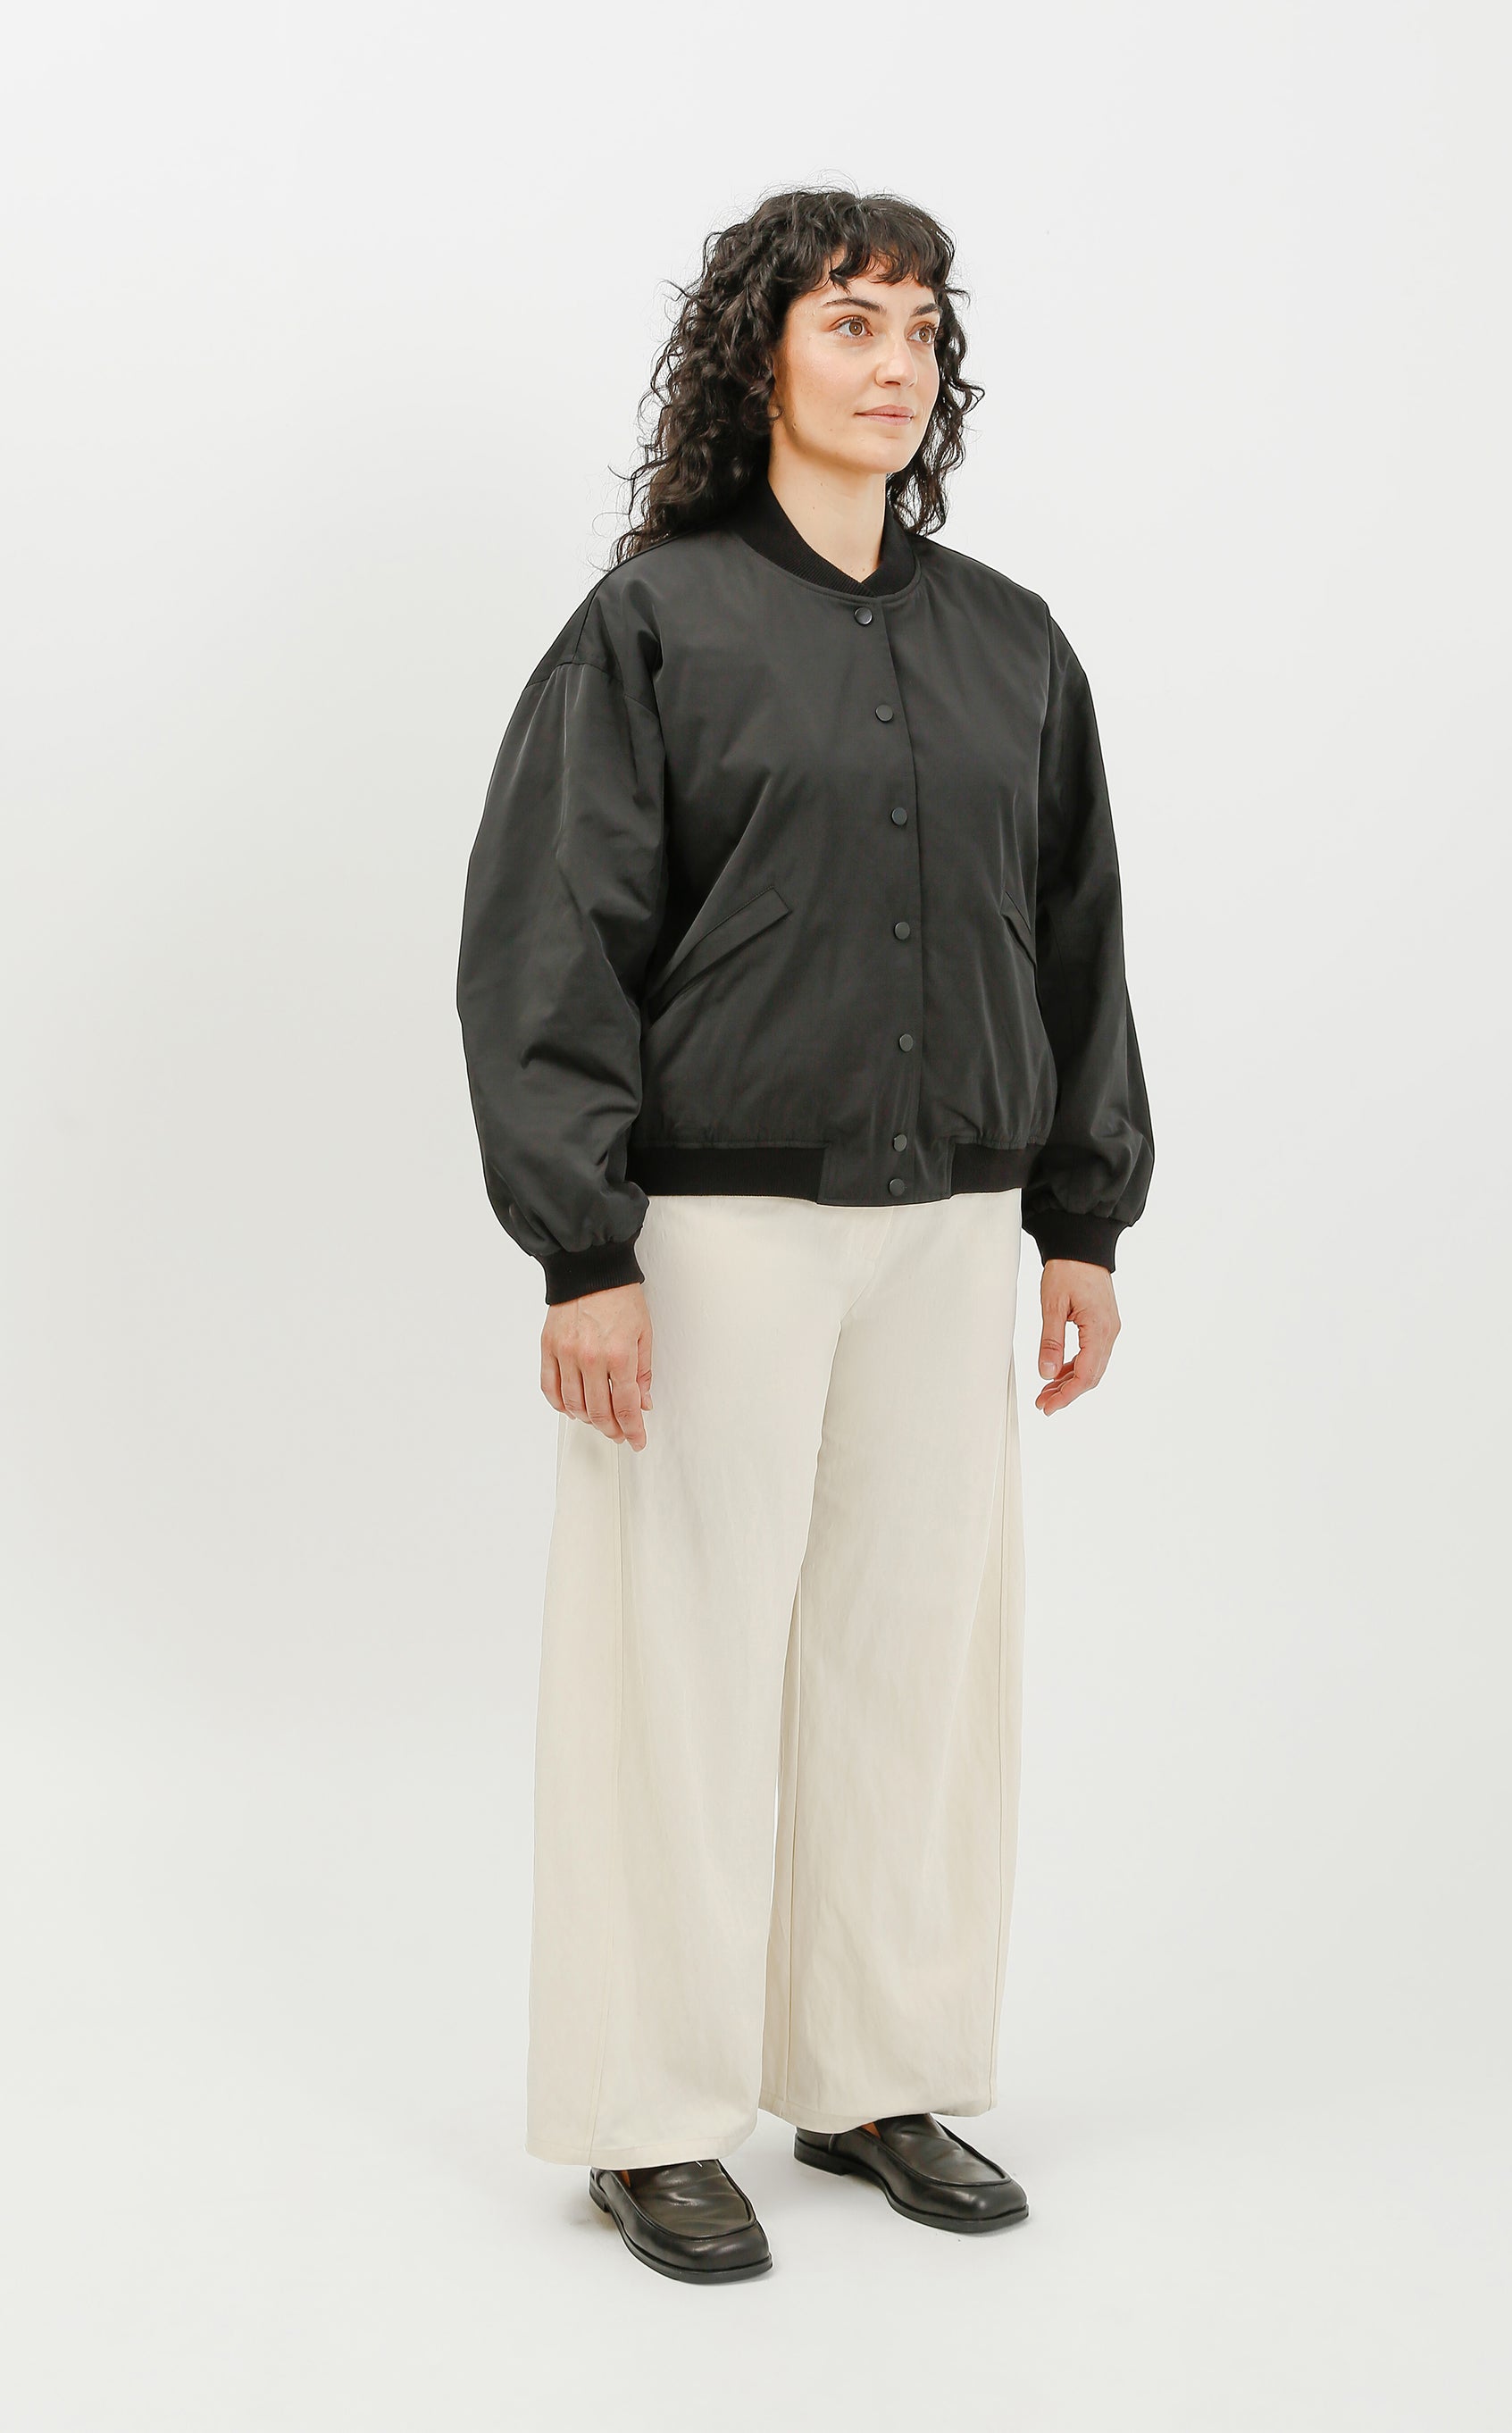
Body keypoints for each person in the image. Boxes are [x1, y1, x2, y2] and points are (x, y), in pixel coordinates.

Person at [456, 187, 1153, 2285]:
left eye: (920, 327)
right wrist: (583, 1249)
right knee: (673, 1667)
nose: (892, 361)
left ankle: (870, 2073)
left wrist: (1081, 1216)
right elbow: (551, 935)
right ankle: (649, 2118)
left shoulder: (1011, 642)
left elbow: (1079, 938)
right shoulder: (655, 626)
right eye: (849, 320)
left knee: (909, 1663)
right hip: (713, 1236)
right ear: (756, 354)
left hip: (952, 1232)